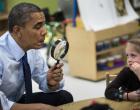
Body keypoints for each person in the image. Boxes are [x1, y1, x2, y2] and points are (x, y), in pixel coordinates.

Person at [0, 2, 73, 110]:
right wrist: (40, 107)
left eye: (43, 25)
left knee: (65, 97)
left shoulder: (30, 47)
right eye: (37, 26)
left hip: (15, 99)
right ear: (17, 30)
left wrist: (50, 82)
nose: (44, 32)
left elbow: (43, 78)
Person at [105, 36, 140, 101]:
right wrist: (126, 96)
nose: (129, 60)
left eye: (133, 55)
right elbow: (108, 91)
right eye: (127, 55)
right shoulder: (126, 72)